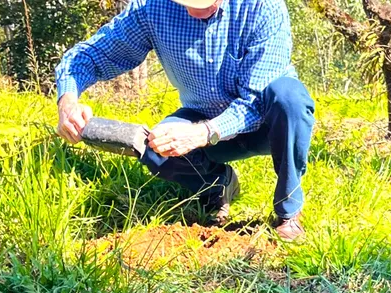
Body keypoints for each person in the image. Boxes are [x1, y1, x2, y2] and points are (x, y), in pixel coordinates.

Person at [54, 0, 314, 241]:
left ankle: (288, 210)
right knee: (155, 147)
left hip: (269, 123)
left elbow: (255, 101)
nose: (192, 11)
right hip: (201, 114)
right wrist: (68, 100)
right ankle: (217, 185)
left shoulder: (261, 6)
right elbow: (89, 55)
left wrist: (203, 133)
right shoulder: (152, 8)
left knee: (290, 98)